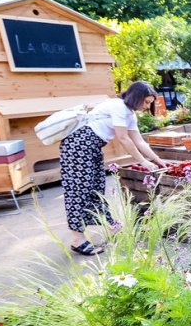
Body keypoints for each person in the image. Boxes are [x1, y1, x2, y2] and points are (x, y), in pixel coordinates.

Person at [60, 81, 166, 255]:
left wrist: (157, 159)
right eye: (146, 102)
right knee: (79, 190)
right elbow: (123, 139)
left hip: (92, 147)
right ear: (136, 97)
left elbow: (138, 140)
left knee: (96, 188)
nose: (148, 106)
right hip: (77, 146)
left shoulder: (130, 114)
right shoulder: (118, 107)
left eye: (150, 103)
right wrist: (142, 161)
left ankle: (111, 227)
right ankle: (77, 239)